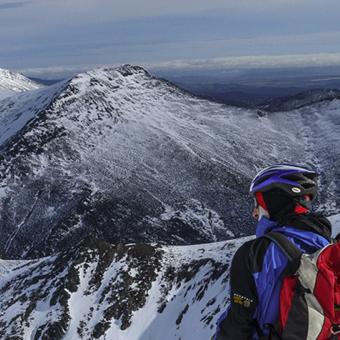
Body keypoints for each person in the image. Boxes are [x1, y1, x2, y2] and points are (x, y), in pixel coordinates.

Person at [214, 164, 333, 339]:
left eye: (257, 203)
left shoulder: (253, 254)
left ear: (273, 201)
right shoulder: (328, 248)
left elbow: (237, 324)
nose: (254, 213)